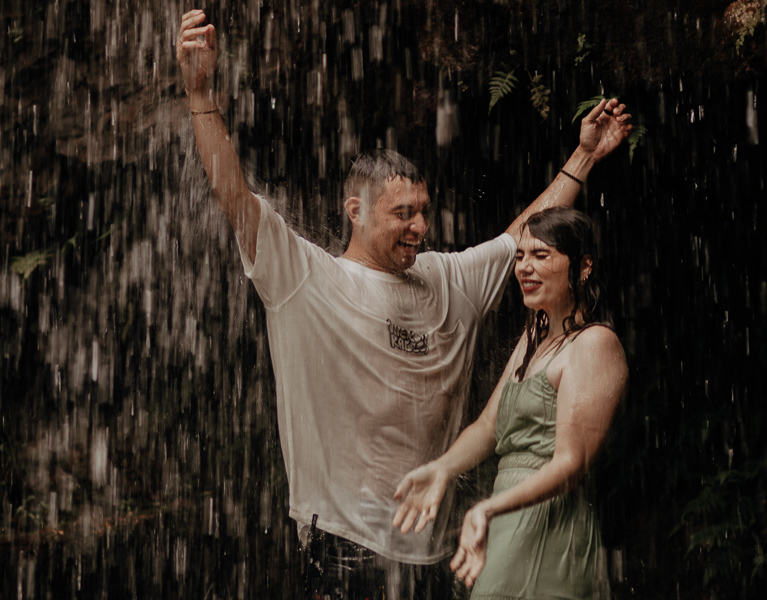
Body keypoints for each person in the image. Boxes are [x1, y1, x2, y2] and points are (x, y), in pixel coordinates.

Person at [176, 8, 633, 599]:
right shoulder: (305, 279)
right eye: (402, 214)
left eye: (424, 211)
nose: (420, 226)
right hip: (343, 544)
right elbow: (234, 195)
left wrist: (585, 156)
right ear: (355, 211)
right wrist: (200, 95)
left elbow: (527, 236)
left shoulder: (449, 280)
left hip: (435, 553)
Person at [393, 207, 629, 598]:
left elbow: (570, 464)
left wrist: (488, 509)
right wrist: (441, 469)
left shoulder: (594, 344)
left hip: (551, 523)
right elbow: (488, 427)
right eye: (520, 256)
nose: (524, 268)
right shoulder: (531, 341)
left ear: (583, 266)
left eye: (541, 255)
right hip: (505, 520)